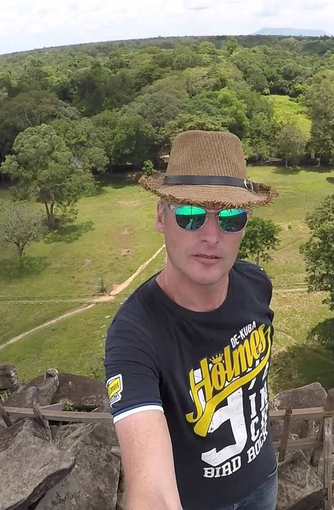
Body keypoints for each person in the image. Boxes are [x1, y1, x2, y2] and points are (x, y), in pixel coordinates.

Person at [104, 130, 279, 510]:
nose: (212, 235)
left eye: (232, 217)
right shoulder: (134, 336)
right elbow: (152, 493)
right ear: (161, 218)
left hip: (264, 478)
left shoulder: (256, 284)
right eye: (189, 215)